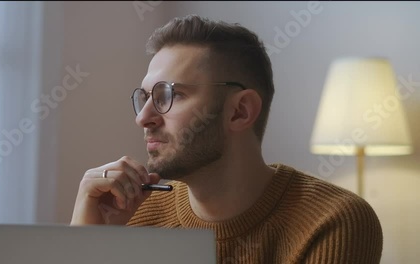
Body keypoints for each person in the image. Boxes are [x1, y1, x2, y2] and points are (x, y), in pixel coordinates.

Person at [70, 14, 383, 263]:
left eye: (171, 95)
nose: (143, 118)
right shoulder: (129, 214)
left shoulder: (331, 223)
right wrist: (90, 237)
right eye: (145, 97)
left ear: (239, 112)